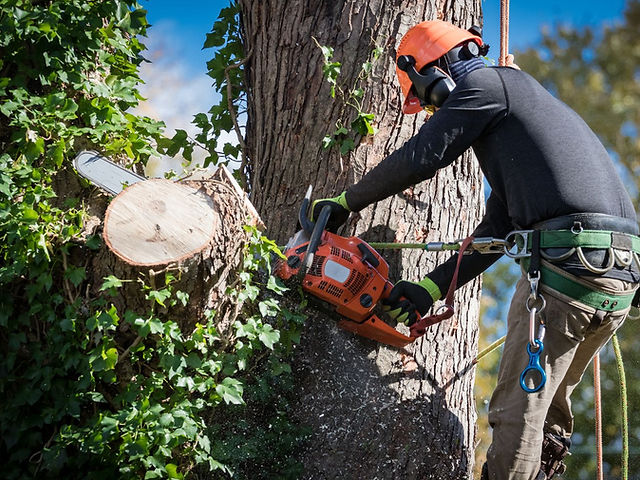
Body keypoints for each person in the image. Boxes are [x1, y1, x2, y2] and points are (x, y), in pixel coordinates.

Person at [311, 20, 640, 480]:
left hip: (569, 273)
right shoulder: (518, 114)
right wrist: (429, 287)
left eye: (425, 100)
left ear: (432, 73)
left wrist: (345, 202)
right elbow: (498, 231)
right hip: (613, 279)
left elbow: (424, 154)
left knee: (515, 415)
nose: (430, 113)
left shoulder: (487, 84)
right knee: (547, 418)